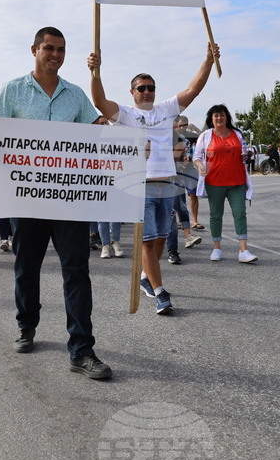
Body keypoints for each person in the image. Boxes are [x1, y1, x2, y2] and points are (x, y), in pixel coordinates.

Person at [0, 26, 112, 381]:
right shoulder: (12, 92)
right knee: (26, 266)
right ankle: (26, 324)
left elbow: (97, 133)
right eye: (49, 48)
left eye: (61, 49)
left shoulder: (76, 95)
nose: (56, 54)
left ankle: (81, 349)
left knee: (77, 272)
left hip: (69, 201)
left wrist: (125, 147)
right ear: (34, 50)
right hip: (26, 200)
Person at [86, 41, 220, 315]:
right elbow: (99, 102)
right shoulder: (125, 114)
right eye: (141, 88)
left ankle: (147, 277)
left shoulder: (166, 109)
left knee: (161, 238)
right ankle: (160, 292)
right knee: (148, 240)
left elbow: (193, 89)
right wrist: (95, 73)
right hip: (139, 187)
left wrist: (208, 60)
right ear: (132, 92)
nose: (147, 92)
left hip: (168, 185)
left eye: (151, 88)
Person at [193, 105, 256, 263]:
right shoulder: (206, 136)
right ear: (211, 119)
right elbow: (197, 156)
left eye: (222, 115)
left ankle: (244, 251)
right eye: (216, 116)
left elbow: (245, 153)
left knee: (240, 214)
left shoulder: (237, 134)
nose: (219, 118)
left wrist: (248, 155)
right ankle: (216, 248)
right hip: (214, 182)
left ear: (227, 117)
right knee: (216, 215)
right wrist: (200, 165)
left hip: (237, 182)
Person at [166, 115, 201, 265]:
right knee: (164, 214)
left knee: (178, 209)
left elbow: (200, 136)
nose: (179, 127)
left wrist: (182, 159)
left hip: (178, 178)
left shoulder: (183, 138)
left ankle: (184, 240)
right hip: (158, 181)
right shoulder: (159, 136)